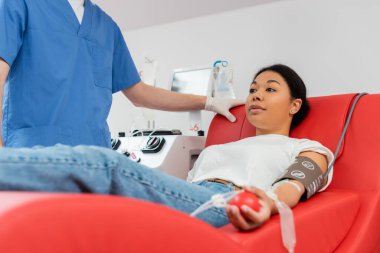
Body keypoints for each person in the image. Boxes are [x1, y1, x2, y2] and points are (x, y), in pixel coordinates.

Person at [0, 64, 334, 231]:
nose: (256, 95)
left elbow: (294, 184)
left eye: (270, 89)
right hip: (190, 199)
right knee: (81, 207)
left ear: (294, 105)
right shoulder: (229, 143)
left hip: (226, 202)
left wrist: (268, 205)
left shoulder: (308, 147)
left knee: (107, 166)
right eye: (252, 88)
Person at [0, 0, 242, 148]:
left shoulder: (106, 27)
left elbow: (139, 93)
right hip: (33, 154)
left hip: (96, 158)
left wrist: (209, 102)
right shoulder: (20, 3)